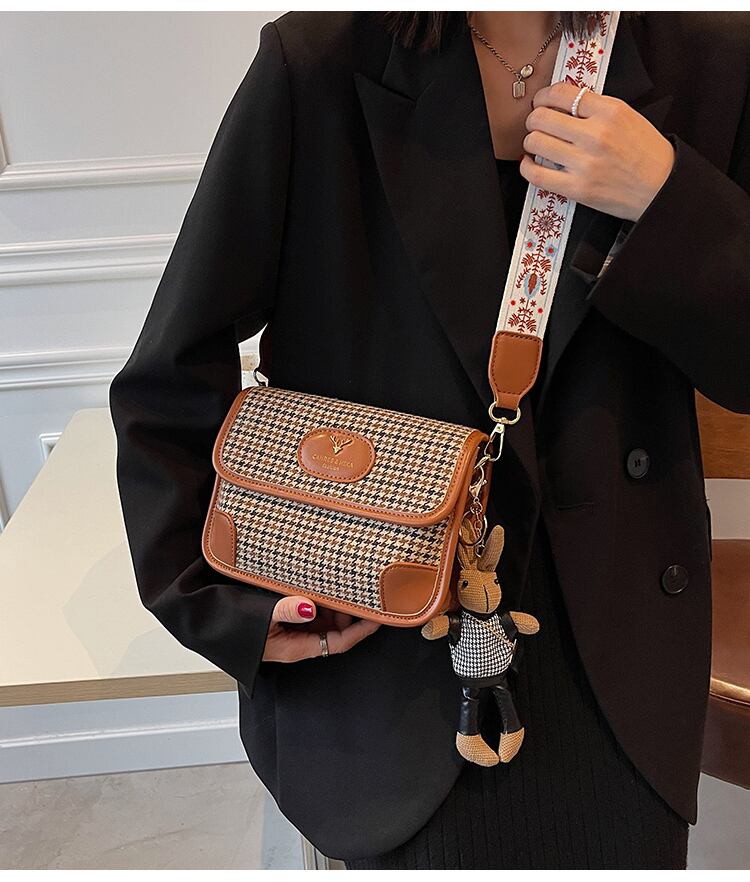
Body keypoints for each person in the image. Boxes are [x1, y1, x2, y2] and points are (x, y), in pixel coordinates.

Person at [108, 10, 750, 870]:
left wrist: (667, 197)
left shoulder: (709, 61)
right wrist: (216, 604)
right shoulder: (319, 63)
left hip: (617, 666)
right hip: (386, 654)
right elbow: (170, 371)